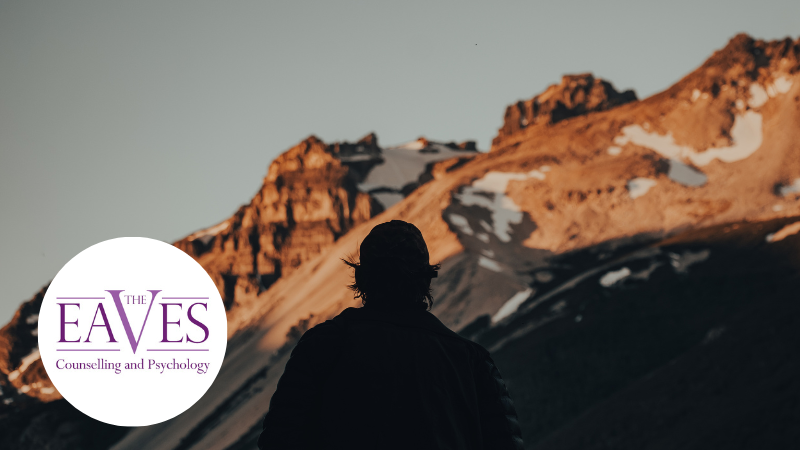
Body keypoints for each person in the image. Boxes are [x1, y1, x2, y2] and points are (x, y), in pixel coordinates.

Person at [258, 220, 524, 450]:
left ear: (361, 278)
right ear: (427, 279)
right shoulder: (472, 361)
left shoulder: (322, 346)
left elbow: (278, 441)